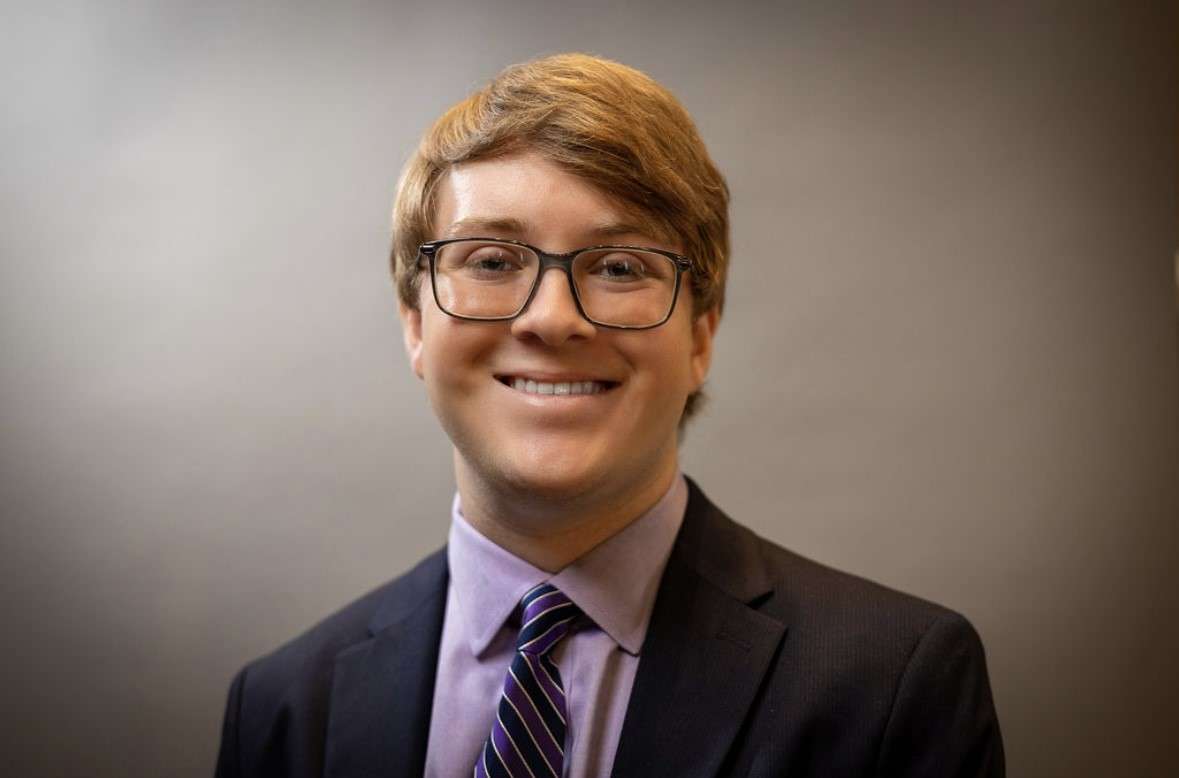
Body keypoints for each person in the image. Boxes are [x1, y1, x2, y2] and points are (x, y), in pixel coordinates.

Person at [214, 53, 1004, 778]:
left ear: (701, 335)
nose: (554, 320)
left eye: (620, 267)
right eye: (491, 260)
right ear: (415, 324)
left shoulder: (892, 684)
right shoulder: (285, 708)